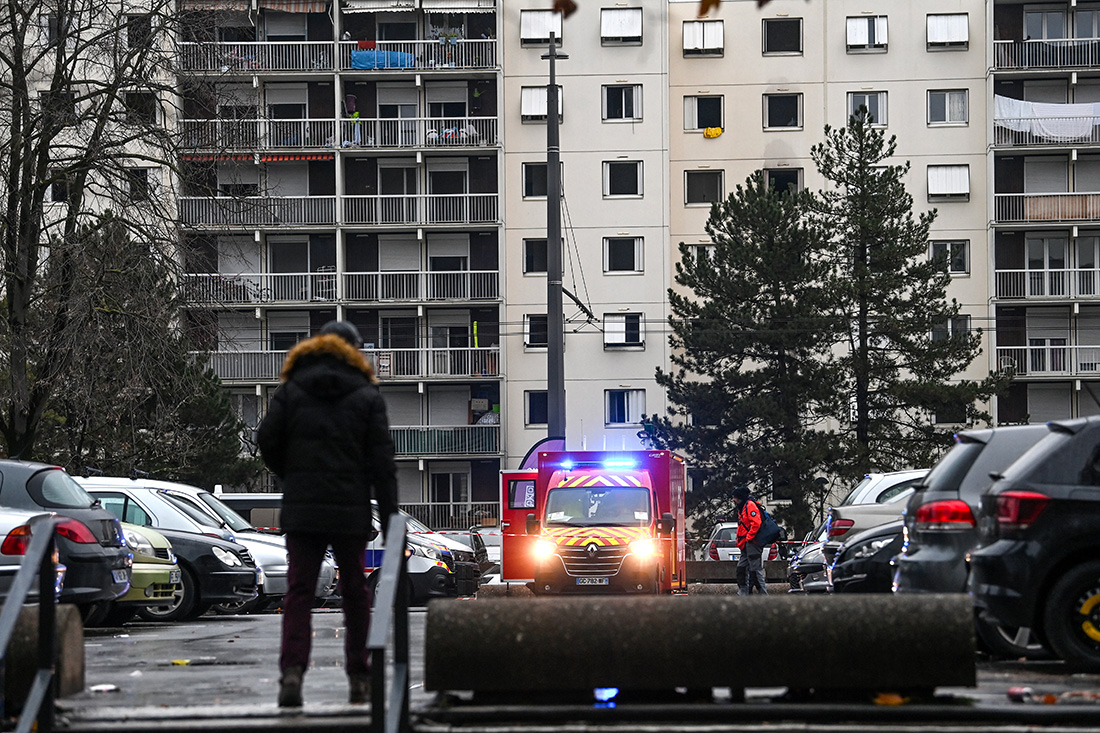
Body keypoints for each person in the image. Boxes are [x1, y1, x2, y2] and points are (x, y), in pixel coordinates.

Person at [257, 320, 399, 708]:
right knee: (355, 591)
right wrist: (390, 520)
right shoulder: (366, 395)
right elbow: (382, 463)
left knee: (300, 590)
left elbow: (266, 440)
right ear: (354, 350)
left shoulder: (292, 390)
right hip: (350, 509)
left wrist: (293, 474)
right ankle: (358, 676)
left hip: (303, 509)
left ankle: (291, 674)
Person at [732, 486, 768, 595]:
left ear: (741, 497)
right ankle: (744, 592)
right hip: (746, 544)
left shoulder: (749, 506)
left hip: (752, 543)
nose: (734, 500)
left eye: (735, 497)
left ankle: (762, 595)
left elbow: (756, 523)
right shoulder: (743, 507)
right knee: (741, 569)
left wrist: (749, 537)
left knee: (755, 571)